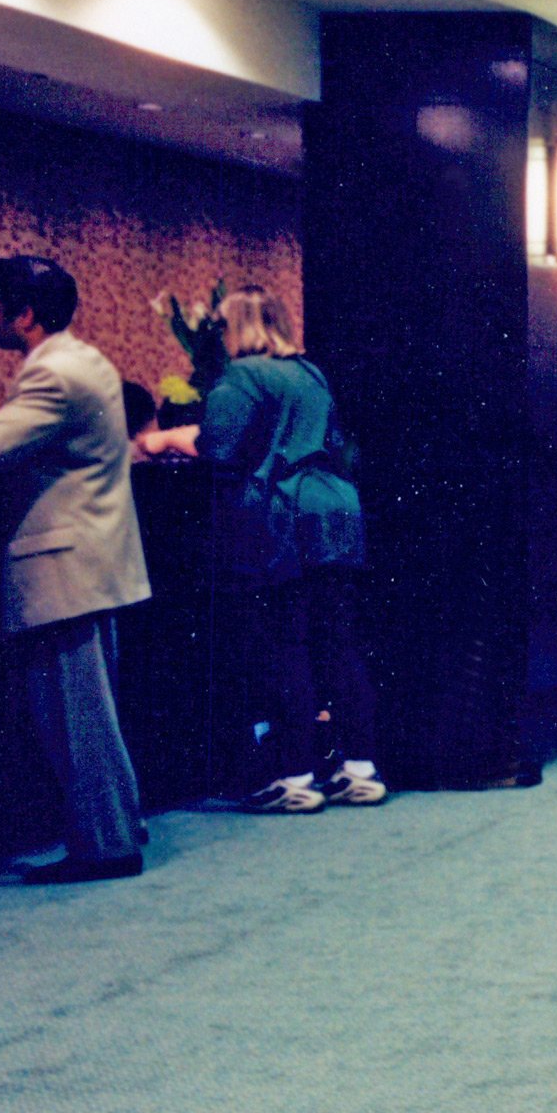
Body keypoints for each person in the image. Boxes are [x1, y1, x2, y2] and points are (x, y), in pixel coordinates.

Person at [134, 286, 385, 812]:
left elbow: (218, 447)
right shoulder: (309, 372)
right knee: (337, 642)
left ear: (233, 327)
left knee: (284, 645)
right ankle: (357, 768)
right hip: (335, 508)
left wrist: (163, 440)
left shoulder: (242, 377)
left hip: (282, 517)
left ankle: (293, 778)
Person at [0, 256, 151, 883]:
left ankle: (106, 847)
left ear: (24, 314)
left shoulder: (51, 374)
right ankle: (118, 827)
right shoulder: (85, 359)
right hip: (89, 562)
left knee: (76, 722)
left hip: (61, 567)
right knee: (91, 716)